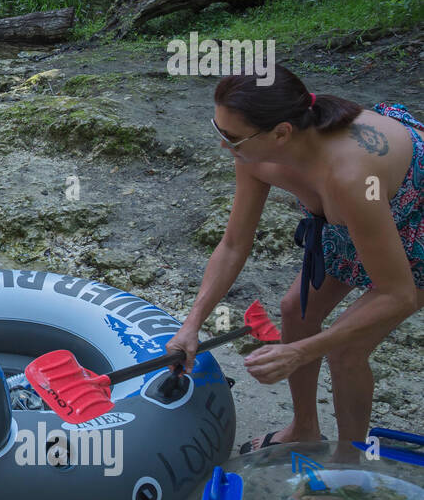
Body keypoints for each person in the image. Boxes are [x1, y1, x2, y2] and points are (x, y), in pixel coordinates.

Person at [165, 66, 424, 453]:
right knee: (295, 311)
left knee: (345, 351)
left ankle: (348, 465)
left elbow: (397, 293)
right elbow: (234, 244)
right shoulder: (253, 154)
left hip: (412, 219)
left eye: (231, 136)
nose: (223, 144)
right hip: (363, 219)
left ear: (281, 133)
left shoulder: (351, 176)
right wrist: (192, 324)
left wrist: (300, 351)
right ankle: (304, 427)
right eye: (219, 129)